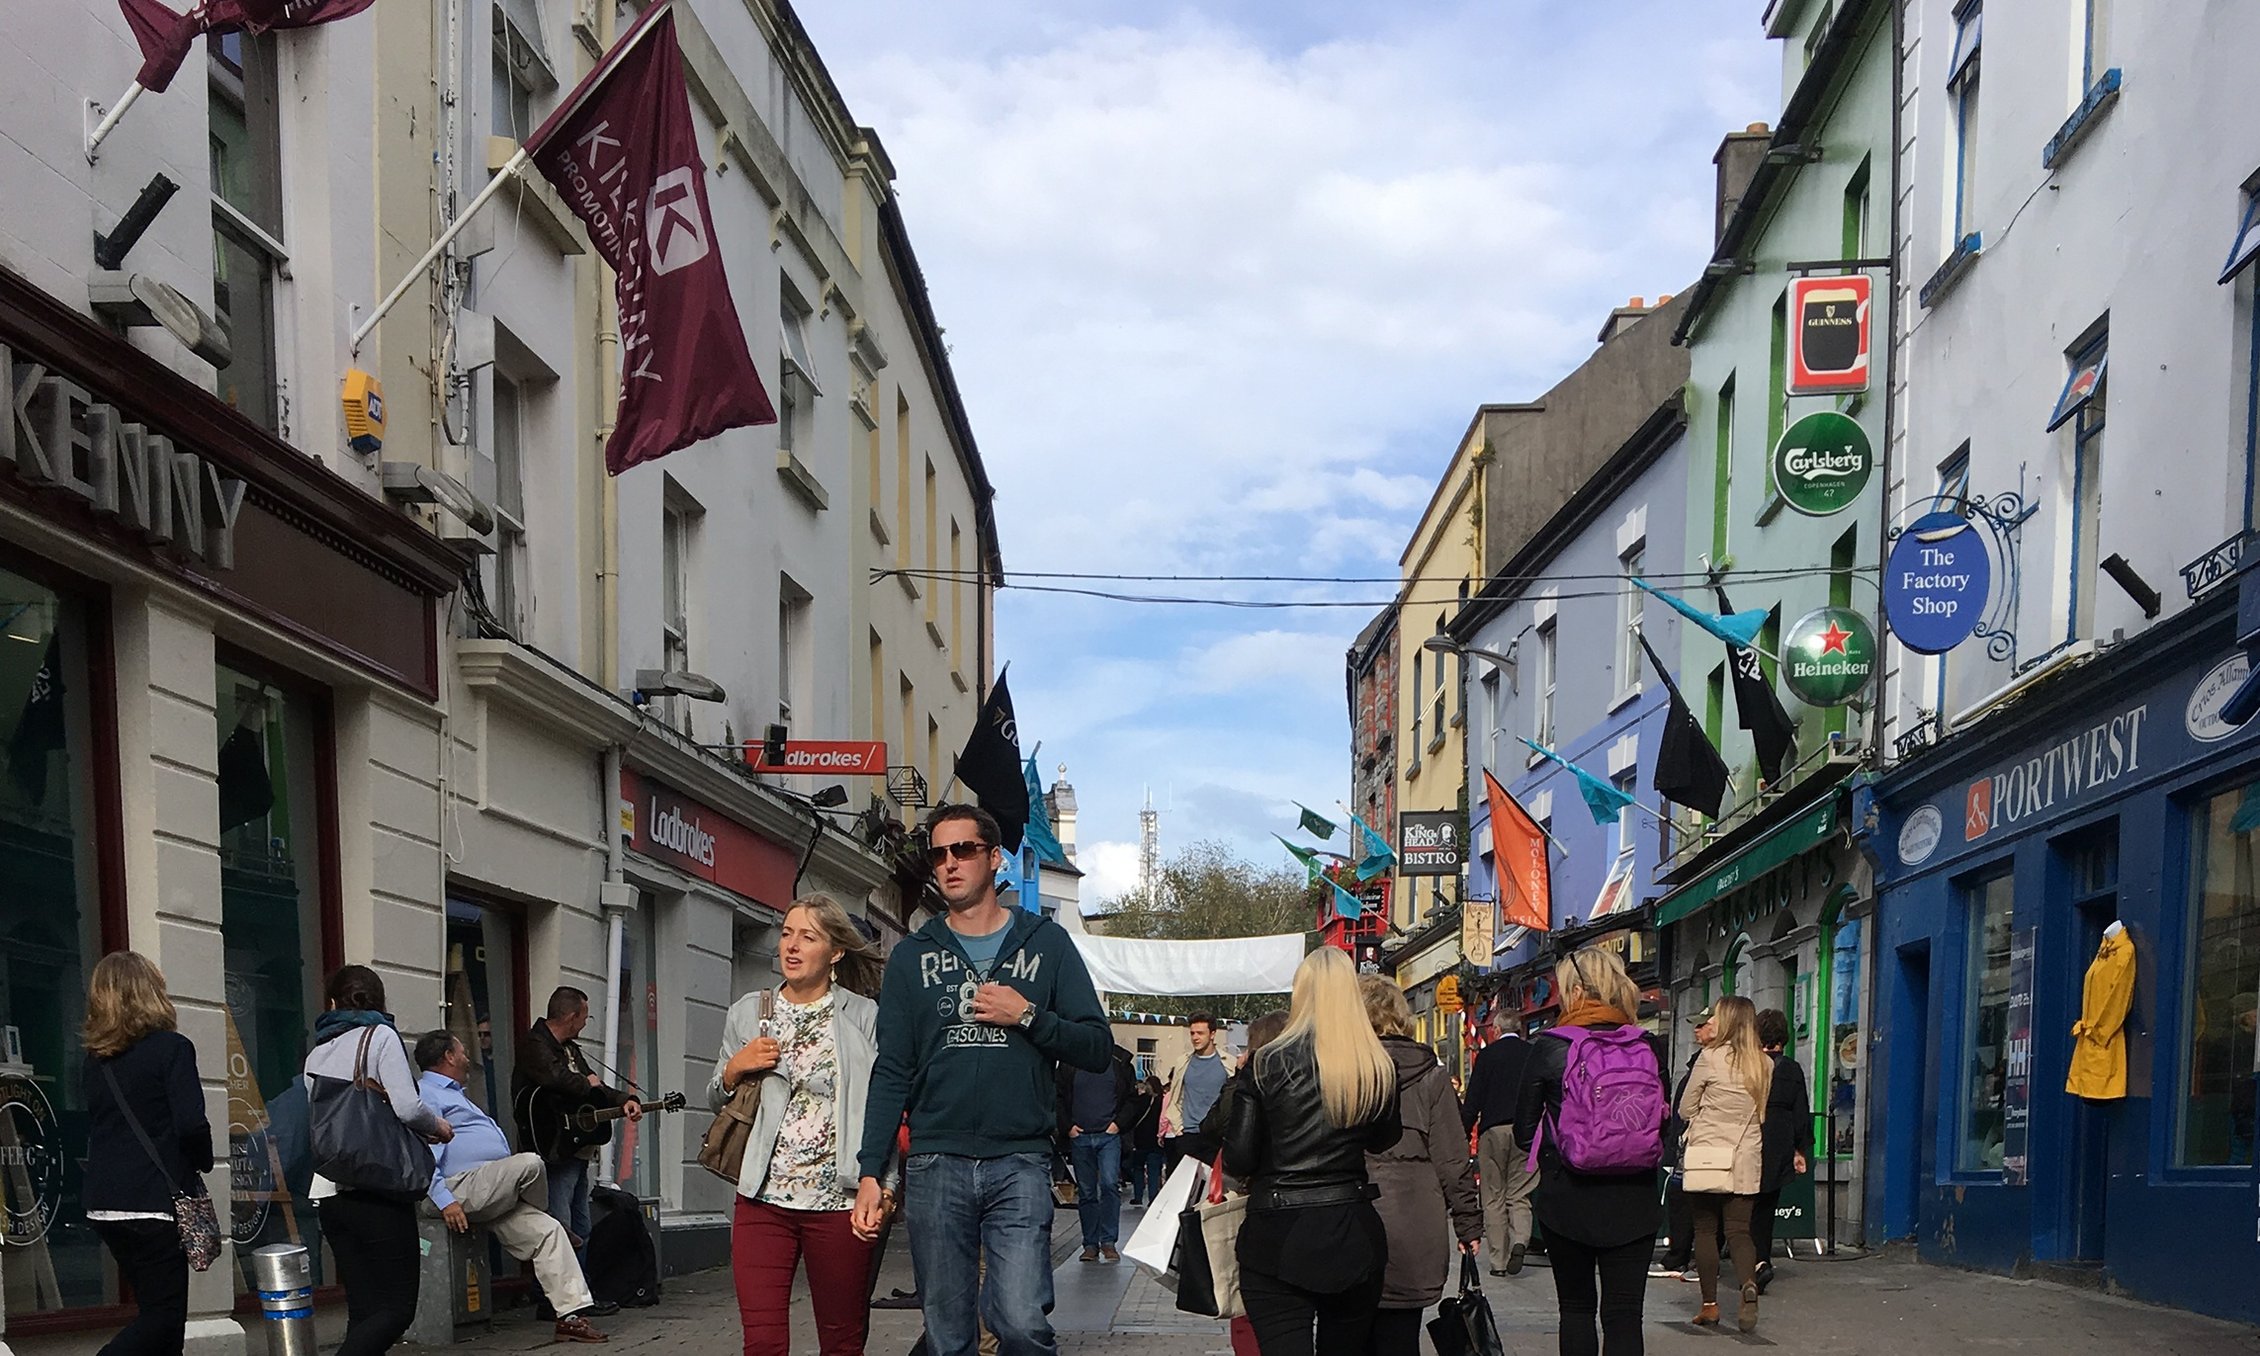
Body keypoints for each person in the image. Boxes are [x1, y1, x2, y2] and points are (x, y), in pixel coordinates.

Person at [851, 804, 1113, 1356]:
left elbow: (1096, 1047)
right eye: (938, 853)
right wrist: (871, 1170)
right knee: (948, 1336)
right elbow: (892, 1069)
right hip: (935, 1162)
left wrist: (1029, 1016)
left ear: (995, 859)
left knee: (1020, 1322)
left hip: (1018, 1159)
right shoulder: (912, 957)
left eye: (963, 850)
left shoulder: (1046, 943)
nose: (948, 864)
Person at [710, 895, 892, 1356]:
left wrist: (884, 1186)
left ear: (834, 952)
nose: (791, 946)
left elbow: (884, 1110)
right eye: (787, 933)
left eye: (807, 937)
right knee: (763, 1343)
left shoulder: (865, 1017)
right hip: (762, 1201)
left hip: (838, 1203)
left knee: (841, 1340)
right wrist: (735, 1068)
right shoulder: (748, 1012)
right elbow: (716, 1096)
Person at [1222, 948, 1400, 1356]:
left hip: (1275, 1232)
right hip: (1352, 1229)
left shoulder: (1267, 1063)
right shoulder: (1374, 1065)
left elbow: (1239, 1159)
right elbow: (1384, 1139)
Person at [1514, 947, 1668, 1356]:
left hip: (1568, 1198)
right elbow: (1662, 1123)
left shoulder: (1550, 1047)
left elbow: (1523, 1132)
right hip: (1635, 1199)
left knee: (1577, 1309)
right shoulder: (1648, 1045)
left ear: (1576, 990)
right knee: (1624, 1314)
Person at [413, 1032, 609, 1344]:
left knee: (548, 1232)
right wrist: (444, 1200)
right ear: (449, 1057)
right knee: (530, 1163)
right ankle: (545, 1210)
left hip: (490, 1192)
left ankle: (569, 1318)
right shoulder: (428, 1095)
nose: (467, 1057)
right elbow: (424, 1153)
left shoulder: (457, 1094)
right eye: (462, 1051)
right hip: (460, 1189)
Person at [307, 965, 451, 1356]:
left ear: (333, 1003)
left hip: (331, 1194)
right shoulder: (380, 1036)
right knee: (397, 1310)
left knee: (364, 1310)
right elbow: (407, 1107)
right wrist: (438, 1126)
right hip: (379, 1191)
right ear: (379, 1001)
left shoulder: (318, 1052)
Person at [81, 951, 214, 1356]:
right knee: (164, 1318)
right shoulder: (171, 1049)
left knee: (159, 1319)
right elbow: (191, 1123)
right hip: (153, 1201)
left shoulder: (96, 1062)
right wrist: (201, 1160)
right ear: (151, 992)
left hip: (104, 1202)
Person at [1360, 977, 1481, 1356]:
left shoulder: (1343, 1070)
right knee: (1400, 1335)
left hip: (1351, 1219)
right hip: (1414, 1219)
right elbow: (1452, 1157)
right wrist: (1467, 1222)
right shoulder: (1431, 1075)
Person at [514, 986, 642, 1275]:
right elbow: (558, 1078)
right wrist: (589, 1085)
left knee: (580, 1223)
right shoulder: (535, 1045)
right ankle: (558, 1299)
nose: (586, 1023)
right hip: (553, 1145)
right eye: (585, 1016)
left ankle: (579, 1294)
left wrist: (625, 1100)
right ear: (571, 1016)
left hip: (577, 1146)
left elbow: (595, 1087)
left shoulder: (570, 1049)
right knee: (561, 1222)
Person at [1678, 996, 1771, 1334]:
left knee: (1705, 1230)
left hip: (1707, 1156)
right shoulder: (1765, 1065)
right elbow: (1760, 1113)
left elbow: (1686, 1109)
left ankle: (1710, 1305)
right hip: (1746, 1156)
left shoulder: (1710, 1058)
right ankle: (1748, 1285)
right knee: (1739, 1231)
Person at [1460, 1008, 1537, 1276]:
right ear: (1522, 1029)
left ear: (1496, 1030)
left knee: (1493, 1196)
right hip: (1527, 1133)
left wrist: (1463, 1131)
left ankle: (1498, 1263)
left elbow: (1474, 1100)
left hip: (1493, 1131)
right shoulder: (1532, 1055)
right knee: (1520, 1194)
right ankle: (1520, 1241)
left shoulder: (1487, 1057)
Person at [1056, 1043, 1137, 1261]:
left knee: (1110, 1185)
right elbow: (1058, 1096)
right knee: (1087, 1191)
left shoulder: (1119, 1061)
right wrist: (1068, 1127)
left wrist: (1118, 1124)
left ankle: (1108, 1242)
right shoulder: (1069, 1060)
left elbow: (1132, 1098)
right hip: (1080, 1136)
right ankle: (1090, 1244)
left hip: (1108, 1136)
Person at [1750, 1009, 1812, 1293]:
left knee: (1742, 1205)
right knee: (1766, 1206)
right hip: (1779, 1141)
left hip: (1750, 1134)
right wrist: (1800, 1149)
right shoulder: (1791, 1069)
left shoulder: (1749, 1066)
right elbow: (1801, 1113)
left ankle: (1746, 1261)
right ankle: (1761, 1259)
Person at [1654, 1006, 1717, 1282]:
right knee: (1685, 1203)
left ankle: (1685, 1260)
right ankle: (1684, 1257)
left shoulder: (1710, 1062)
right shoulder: (1697, 1061)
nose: (1697, 1029)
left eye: (1703, 1025)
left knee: (1696, 1207)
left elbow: (1689, 1107)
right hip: (1689, 1145)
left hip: (1702, 1145)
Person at [1160, 1015, 1236, 1168]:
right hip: (1188, 1135)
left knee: (1216, 1189)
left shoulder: (1228, 1063)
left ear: (1212, 1034)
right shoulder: (1183, 1062)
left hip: (1217, 1137)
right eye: (1192, 1033)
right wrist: (1179, 1128)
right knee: (1187, 1189)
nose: (1195, 1037)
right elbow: (1175, 1097)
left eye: (1200, 1033)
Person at [1123, 1074, 1164, 1206]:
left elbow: (1133, 1117)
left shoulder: (1142, 1100)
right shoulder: (1163, 1101)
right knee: (1153, 1170)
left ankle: (1138, 1196)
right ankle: (1153, 1198)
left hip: (1140, 1140)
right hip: (1156, 1140)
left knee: (1138, 1168)